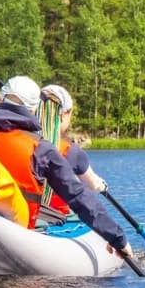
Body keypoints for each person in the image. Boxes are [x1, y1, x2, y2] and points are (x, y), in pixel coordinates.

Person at [0, 75, 133, 259]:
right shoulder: (42, 149)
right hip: (20, 226)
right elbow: (78, 196)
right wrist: (118, 239)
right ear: (34, 109)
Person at [38, 84, 106, 216]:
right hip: (56, 216)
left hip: (20, 214)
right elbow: (93, 185)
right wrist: (102, 186)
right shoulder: (72, 152)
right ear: (64, 114)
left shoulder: (24, 139)